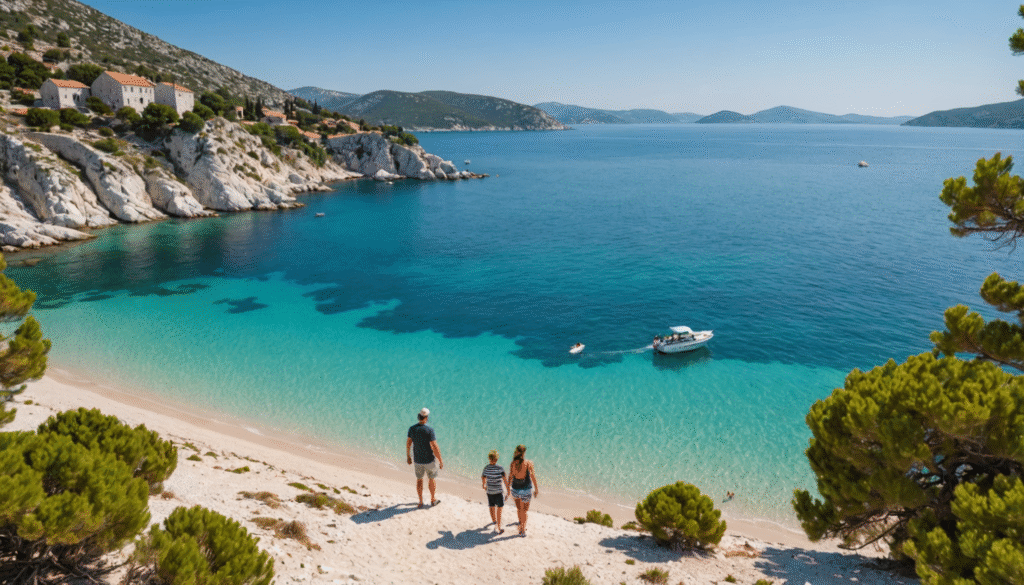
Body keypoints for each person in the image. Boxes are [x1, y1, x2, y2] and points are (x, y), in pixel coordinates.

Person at [406, 407, 444, 508]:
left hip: (417, 460)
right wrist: (440, 460)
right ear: (426, 418)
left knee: (419, 480)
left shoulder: (412, 428)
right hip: (429, 460)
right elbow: (435, 447)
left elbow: (408, 443)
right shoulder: (429, 430)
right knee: (431, 479)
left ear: (419, 417)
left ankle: (420, 501)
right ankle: (432, 500)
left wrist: (408, 456)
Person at [508, 444, 539, 536]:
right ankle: (522, 530)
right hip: (526, 490)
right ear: (524, 453)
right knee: (524, 511)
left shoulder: (513, 463)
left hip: (515, 490)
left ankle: (520, 525)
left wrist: (508, 489)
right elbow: (533, 476)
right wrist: (536, 489)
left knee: (519, 509)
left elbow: (510, 476)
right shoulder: (529, 463)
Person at [481, 449, 509, 534]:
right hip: (498, 492)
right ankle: (499, 528)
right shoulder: (500, 468)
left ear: (489, 458)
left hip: (490, 491)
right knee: (499, 509)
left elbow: (483, 477)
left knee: (491, 506)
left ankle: (494, 521)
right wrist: (508, 490)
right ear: (497, 459)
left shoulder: (486, 468)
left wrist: (484, 485)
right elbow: (505, 480)